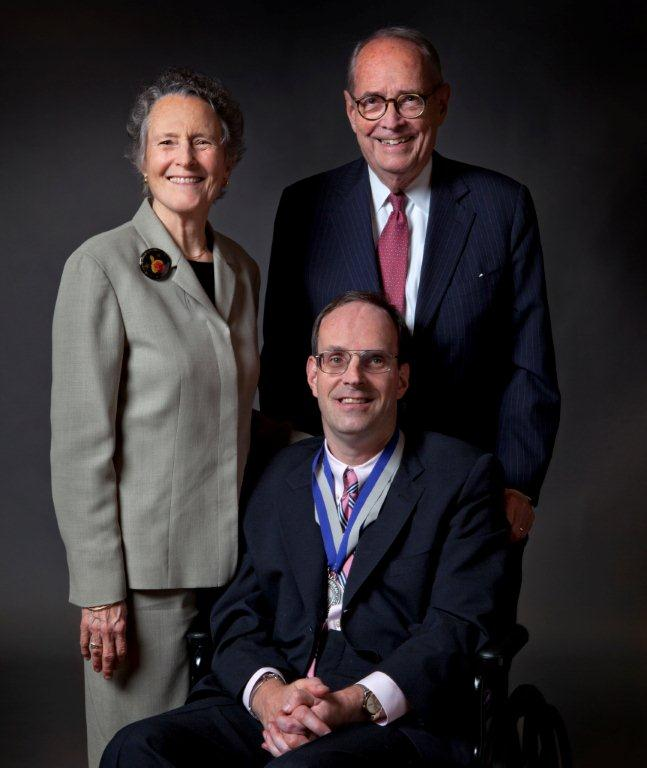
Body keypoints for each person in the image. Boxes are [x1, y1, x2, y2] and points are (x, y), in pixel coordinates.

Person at [101, 292, 510, 767]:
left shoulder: (460, 476)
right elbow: (238, 615)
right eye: (335, 359)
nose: (352, 377)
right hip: (279, 692)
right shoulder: (275, 475)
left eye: (374, 360)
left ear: (401, 379)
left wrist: (347, 704)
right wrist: (272, 698)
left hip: (389, 718)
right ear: (313, 376)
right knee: (134, 748)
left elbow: (456, 628)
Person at [260, 26, 560, 542]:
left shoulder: (501, 207)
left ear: (441, 103)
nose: (391, 122)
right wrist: (297, 477)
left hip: (469, 494)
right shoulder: (305, 207)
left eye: (410, 101)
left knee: (462, 625)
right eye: (373, 102)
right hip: (339, 491)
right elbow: (285, 353)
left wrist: (516, 485)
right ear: (352, 110)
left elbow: (528, 363)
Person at [50, 67, 259, 766]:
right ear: (142, 160)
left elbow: (241, 418)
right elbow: (81, 446)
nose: (184, 158)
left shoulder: (240, 269)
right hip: (144, 583)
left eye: (203, 142)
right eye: (166, 142)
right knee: (136, 755)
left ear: (226, 162)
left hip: (234, 572)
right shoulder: (101, 266)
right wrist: (100, 592)